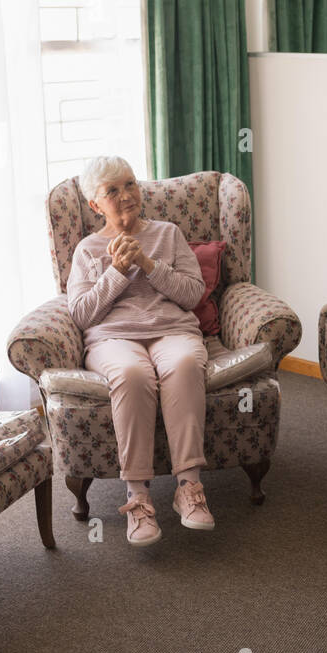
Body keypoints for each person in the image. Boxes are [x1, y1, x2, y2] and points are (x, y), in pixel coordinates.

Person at [66, 155, 215, 547]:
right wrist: (116, 271)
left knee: (184, 364)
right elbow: (81, 314)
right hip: (113, 339)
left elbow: (192, 294)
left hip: (172, 331)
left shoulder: (168, 234)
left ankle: (189, 489)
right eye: (112, 191)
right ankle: (138, 498)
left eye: (130, 184)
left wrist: (148, 264)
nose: (126, 195)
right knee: (133, 375)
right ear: (95, 205)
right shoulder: (86, 249)